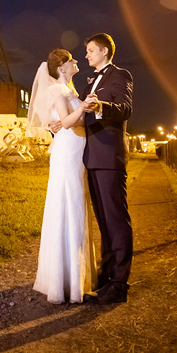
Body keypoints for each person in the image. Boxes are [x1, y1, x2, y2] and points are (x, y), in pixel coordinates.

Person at [27, 49, 99, 304]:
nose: (76, 61)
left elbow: (62, 120)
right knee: (71, 203)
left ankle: (75, 274)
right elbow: (67, 122)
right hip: (68, 150)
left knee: (76, 203)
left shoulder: (69, 89)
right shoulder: (58, 90)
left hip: (75, 149)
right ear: (61, 68)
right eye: (71, 60)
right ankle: (66, 279)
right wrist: (85, 108)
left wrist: (83, 108)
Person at [78, 33, 134, 304]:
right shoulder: (92, 80)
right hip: (93, 158)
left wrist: (100, 106)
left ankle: (119, 285)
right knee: (104, 222)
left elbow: (124, 109)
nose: (86, 55)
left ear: (103, 51)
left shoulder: (120, 75)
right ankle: (106, 275)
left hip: (110, 157)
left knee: (116, 221)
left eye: (90, 50)